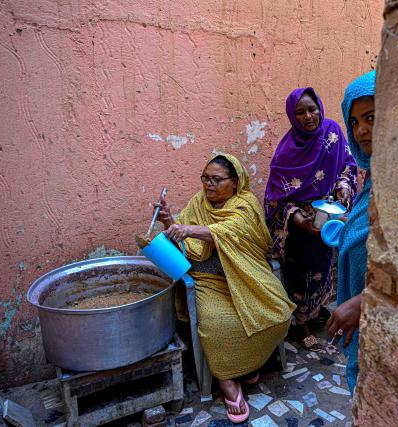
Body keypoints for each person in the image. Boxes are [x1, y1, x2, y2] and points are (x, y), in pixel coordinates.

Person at [155, 154, 296, 423]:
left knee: (277, 315)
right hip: (210, 281)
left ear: (235, 182)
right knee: (217, 325)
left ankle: (248, 364)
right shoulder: (198, 203)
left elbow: (229, 230)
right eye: (205, 178)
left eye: (216, 179)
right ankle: (228, 381)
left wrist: (188, 230)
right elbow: (184, 239)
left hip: (246, 275)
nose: (208, 184)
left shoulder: (246, 205)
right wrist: (170, 223)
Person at [264, 87, 357, 349]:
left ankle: (315, 311)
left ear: (320, 107)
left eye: (312, 109)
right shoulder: (287, 151)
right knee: (302, 271)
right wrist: (300, 221)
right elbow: (275, 198)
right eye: (300, 112)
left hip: (329, 216)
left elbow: (347, 166)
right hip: (300, 226)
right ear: (293, 117)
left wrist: (341, 193)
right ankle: (300, 322)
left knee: (326, 263)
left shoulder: (332, 133)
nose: (308, 116)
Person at [326, 70, 376, 395]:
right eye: (355, 122)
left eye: (371, 117)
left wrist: (365, 302)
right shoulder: (374, 175)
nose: (361, 131)